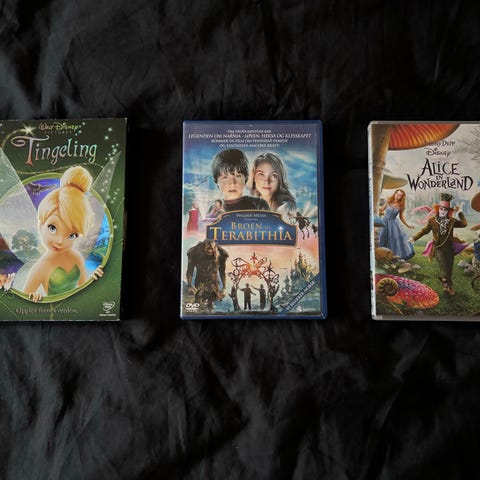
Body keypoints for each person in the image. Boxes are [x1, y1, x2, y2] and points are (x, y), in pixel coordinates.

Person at [23, 166, 103, 302]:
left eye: (72, 235)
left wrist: (94, 279)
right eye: (52, 228)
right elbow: (22, 301)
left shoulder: (76, 257)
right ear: (40, 224)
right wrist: (34, 297)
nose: (60, 241)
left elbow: (84, 290)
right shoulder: (41, 266)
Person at [409, 193, 467, 296]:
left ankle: (448, 287)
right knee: (443, 268)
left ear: (448, 211)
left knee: (449, 268)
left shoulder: (452, 221)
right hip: (438, 248)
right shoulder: (433, 221)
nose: (443, 211)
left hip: (449, 249)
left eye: (445, 210)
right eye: (441, 209)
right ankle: (446, 285)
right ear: (438, 209)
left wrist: (460, 212)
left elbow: (464, 224)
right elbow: (424, 231)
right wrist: (414, 238)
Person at [250, 153, 296, 217]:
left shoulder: (286, 206)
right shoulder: (251, 202)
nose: (267, 181)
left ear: (280, 179)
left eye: (273, 175)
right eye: (261, 174)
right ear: (254, 178)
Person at [378, 189, 415, 259]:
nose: (397, 196)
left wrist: (408, 225)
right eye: (397, 194)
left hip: (393, 224)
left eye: (399, 195)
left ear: (402, 197)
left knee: (393, 239)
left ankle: (392, 256)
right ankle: (382, 255)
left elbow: (401, 217)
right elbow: (382, 209)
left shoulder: (401, 206)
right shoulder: (389, 200)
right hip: (384, 222)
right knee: (382, 236)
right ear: (395, 193)